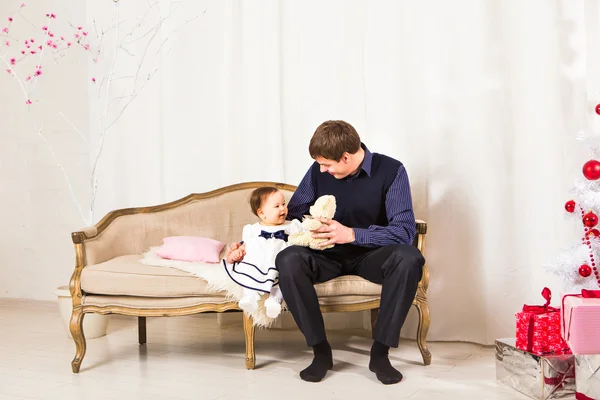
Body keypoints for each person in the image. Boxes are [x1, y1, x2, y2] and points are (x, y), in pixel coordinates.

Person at [225, 120, 424, 385]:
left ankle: (380, 353)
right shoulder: (318, 172)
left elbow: (404, 232)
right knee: (288, 259)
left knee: (410, 258)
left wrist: (353, 234)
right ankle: (320, 351)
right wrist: (253, 240)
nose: (322, 169)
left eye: (327, 165)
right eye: (319, 164)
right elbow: (294, 213)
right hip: (325, 253)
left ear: (345, 157)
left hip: (372, 254)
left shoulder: (392, 171)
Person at [223, 187, 302, 318]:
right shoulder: (252, 230)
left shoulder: (292, 226)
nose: (283, 209)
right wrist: (238, 252)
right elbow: (246, 246)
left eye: (283, 204)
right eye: (277, 206)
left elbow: (302, 240)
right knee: (248, 269)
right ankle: (249, 296)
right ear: (262, 213)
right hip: (259, 261)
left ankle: (275, 300)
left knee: (288, 273)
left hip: (280, 262)